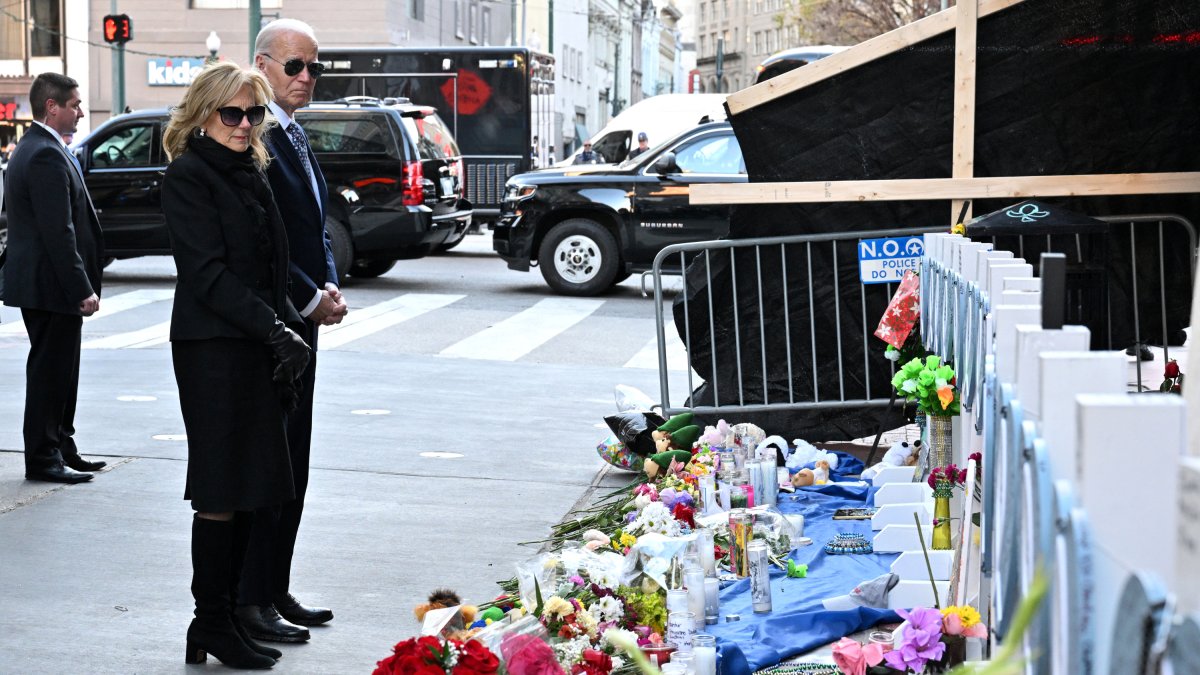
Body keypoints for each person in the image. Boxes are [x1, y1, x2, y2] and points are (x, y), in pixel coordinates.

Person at [162, 61, 309, 669]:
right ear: (203, 113)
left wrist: (283, 328)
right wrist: (276, 329)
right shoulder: (189, 176)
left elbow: (270, 263)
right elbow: (207, 275)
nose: (245, 124)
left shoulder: (252, 172)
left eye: (254, 114)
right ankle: (211, 623)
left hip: (256, 347)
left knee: (253, 487)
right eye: (232, 113)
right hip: (214, 351)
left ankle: (225, 620)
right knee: (221, 490)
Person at [240, 17, 347, 644]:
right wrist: (308, 298)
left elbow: (312, 222)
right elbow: (267, 237)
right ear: (261, 64)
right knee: (271, 465)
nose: (307, 78)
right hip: (276, 326)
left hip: (303, 321)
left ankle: (275, 587)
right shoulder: (253, 136)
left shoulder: (294, 134)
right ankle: (252, 596)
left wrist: (327, 284)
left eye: (314, 67)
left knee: (295, 463)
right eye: (294, 66)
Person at [1, 73, 105, 484]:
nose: (80, 112)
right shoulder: (43, 153)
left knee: (62, 369)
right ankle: (44, 458)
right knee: (50, 372)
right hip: (51, 286)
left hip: (46, 283)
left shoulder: (38, 148)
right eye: (75, 104)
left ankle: (63, 446)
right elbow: (56, 230)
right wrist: (80, 287)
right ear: (51, 106)